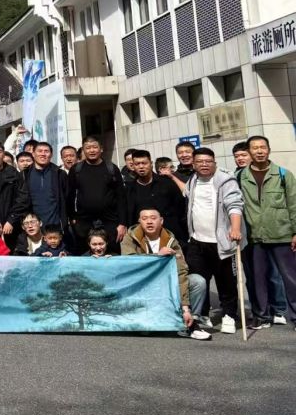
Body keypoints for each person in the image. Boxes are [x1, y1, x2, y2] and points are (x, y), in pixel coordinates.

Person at [120, 206, 211, 340]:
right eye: (144, 218)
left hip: (165, 286)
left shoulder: (171, 241)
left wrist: (186, 308)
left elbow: (180, 272)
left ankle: (191, 323)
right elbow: (130, 264)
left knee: (197, 281)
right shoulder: (130, 238)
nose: (149, 222)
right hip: (141, 287)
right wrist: (157, 256)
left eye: (153, 218)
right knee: (146, 331)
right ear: (139, 221)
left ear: (161, 221)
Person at [183, 147, 244, 334]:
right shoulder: (193, 180)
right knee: (199, 280)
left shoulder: (226, 180)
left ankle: (229, 315)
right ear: (194, 164)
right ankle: (202, 315)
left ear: (214, 162)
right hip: (197, 241)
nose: (204, 164)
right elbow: (187, 196)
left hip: (222, 242)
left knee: (226, 281)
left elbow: (234, 204)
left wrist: (235, 228)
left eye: (208, 161)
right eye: (200, 161)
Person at [238, 135, 296, 329]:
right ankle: (261, 316)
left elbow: (294, 204)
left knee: (291, 278)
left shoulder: (283, 174)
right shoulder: (240, 177)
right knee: (258, 279)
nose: (260, 151)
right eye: (255, 148)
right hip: (254, 236)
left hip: (282, 234)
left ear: (269, 150)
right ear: (249, 152)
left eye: (263, 147)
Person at [68, 136, 126, 252]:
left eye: (95, 147)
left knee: (111, 255)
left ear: (101, 149)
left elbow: (121, 197)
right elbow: (70, 195)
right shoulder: (76, 170)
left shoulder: (111, 168)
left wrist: (122, 223)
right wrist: (72, 218)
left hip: (110, 222)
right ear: (83, 150)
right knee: (85, 256)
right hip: (84, 223)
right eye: (88, 148)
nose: (91, 150)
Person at [126, 150, 187, 243]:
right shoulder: (130, 189)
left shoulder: (167, 183)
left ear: (151, 164)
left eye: (144, 163)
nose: (141, 166)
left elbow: (180, 208)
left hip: (169, 235)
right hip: (143, 239)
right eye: (137, 164)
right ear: (133, 166)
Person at [23, 142, 69, 238]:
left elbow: (67, 197)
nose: (43, 154)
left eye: (46, 151)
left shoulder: (59, 174)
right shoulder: (24, 175)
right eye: (40, 151)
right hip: (33, 227)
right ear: (33, 154)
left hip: (55, 226)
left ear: (51, 155)